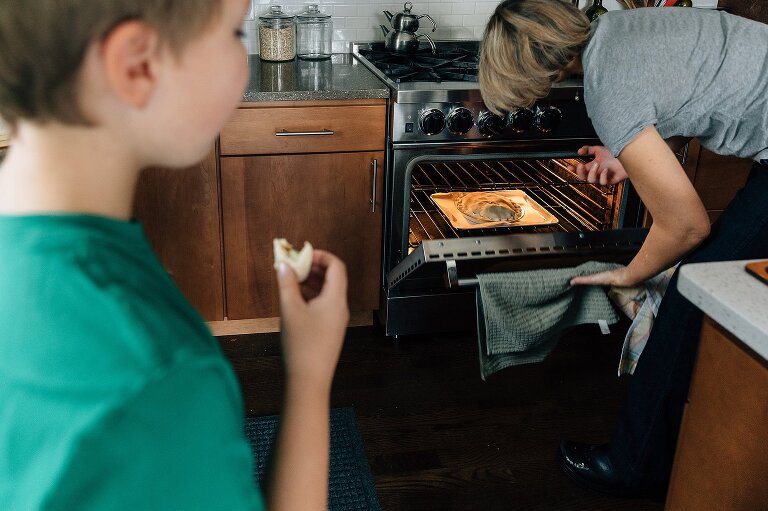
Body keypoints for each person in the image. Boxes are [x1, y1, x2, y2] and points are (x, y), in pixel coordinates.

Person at [0, 1, 349, 510]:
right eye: (234, 34)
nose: (245, 58)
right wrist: (311, 376)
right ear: (137, 65)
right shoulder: (160, 381)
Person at [479, 0, 768, 498]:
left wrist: (629, 274)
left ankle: (631, 464)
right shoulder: (618, 28)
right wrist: (626, 153)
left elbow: (685, 226)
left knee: (692, 293)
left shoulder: (605, 86)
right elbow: (689, 86)